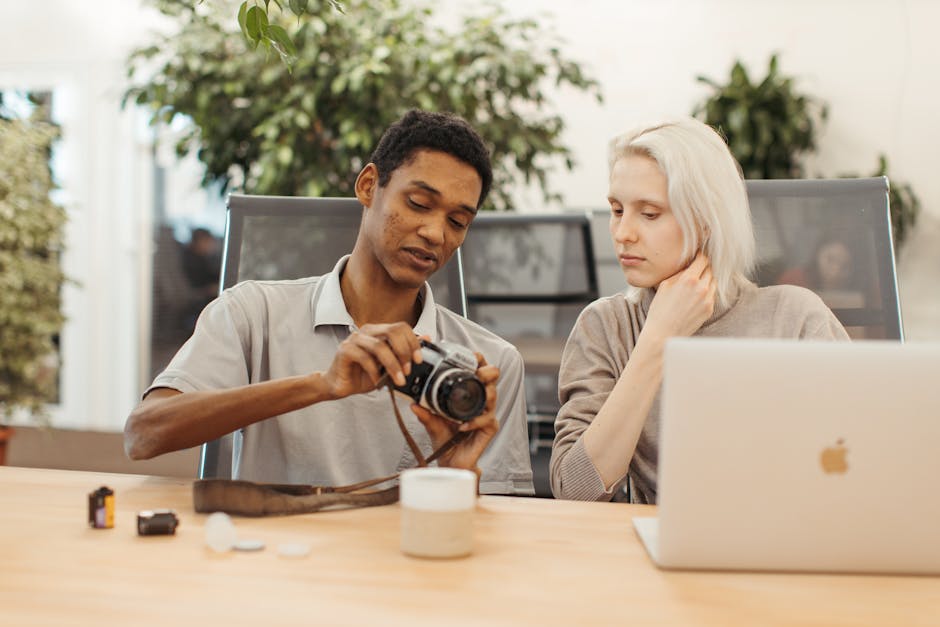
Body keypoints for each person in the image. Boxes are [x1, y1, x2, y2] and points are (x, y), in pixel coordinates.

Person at [125, 110, 534, 495]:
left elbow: (495, 540)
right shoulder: (254, 313)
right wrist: (321, 385)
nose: (435, 233)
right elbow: (143, 435)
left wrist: (456, 478)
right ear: (369, 186)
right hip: (276, 562)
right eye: (419, 204)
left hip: (411, 566)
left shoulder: (490, 364)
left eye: (457, 222)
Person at [550, 118, 849, 504]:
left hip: (782, 542)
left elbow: (858, 468)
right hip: (658, 553)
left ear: (706, 221)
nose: (623, 232)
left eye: (650, 213)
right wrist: (657, 338)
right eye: (617, 209)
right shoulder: (606, 326)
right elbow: (575, 493)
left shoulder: (794, 317)